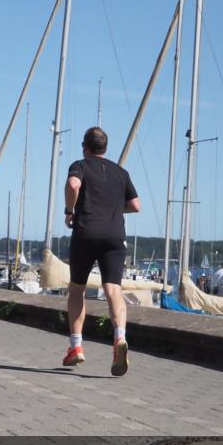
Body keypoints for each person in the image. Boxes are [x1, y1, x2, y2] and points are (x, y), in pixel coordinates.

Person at [63, 127, 141, 376]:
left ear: (85, 146)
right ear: (105, 148)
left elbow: (73, 184)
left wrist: (69, 210)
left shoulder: (81, 165)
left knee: (77, 289)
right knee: (112, 290)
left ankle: (76, 347)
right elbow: (135, 205)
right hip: (115, 237)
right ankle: (119, 338)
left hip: (86, 233)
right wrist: (114, 209)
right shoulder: (121, 172)